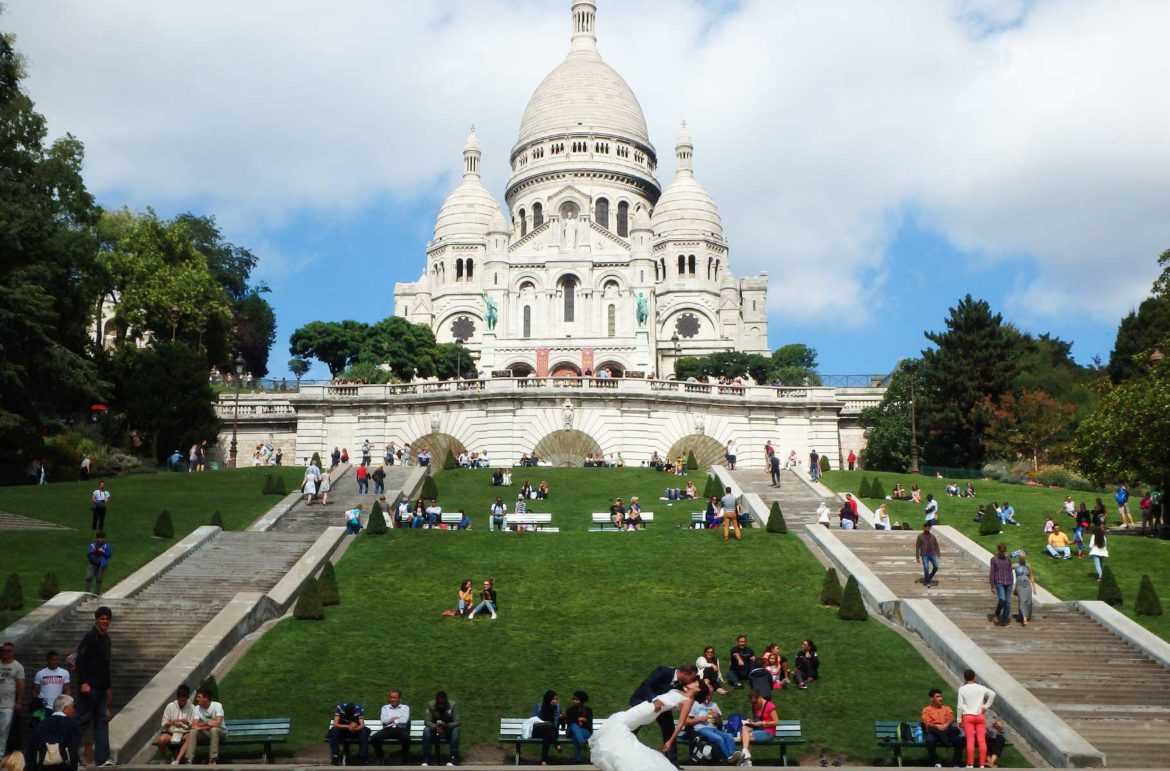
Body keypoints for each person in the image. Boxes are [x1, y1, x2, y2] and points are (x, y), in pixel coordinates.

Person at [603, 664, 699, 770]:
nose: (692, 680)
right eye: (692, 677)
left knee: (669, 730)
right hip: (644, 703)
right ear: (685, 674)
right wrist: (654, 700)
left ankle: (673, 763)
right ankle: (617, 758)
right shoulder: (663, 671)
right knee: (630, 729)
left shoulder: (683, 683)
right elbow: (646, 685)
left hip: (662, 708)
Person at [74, 606, 112, 767]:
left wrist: (109, 687)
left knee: (102, 722)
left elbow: (106, 665)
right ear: (96, 620)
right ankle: (72, 757)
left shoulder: (107, 639)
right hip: (89, 687)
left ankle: (102, 759)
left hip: (102, 687)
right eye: (102, 619)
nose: (105, 622)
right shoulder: (90, 637)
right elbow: (79, 660)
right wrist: (83, 682)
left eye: (107, 619)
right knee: (81, 722)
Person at [27, 694, 80, 771]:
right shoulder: (71, 725)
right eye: (72, 708)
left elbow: (32, 750)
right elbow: (73, 751)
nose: (74, 710)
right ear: (65, 709)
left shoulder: (41, 724)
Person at [684, 684, 735, 763]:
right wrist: (699, 719)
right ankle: (729, 757)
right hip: (701, 729)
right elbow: (686, 721)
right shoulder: (695, 704)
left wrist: (717, 716)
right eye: (708, 694)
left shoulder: (714, 705)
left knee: (729, 736)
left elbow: (720, 723)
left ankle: (733, 755)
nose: (709, 697)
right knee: (719, 738)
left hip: (714, 728)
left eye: (711, 695)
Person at [956, 669, 995, 769]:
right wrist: (986, 706)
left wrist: (959, 720)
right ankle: (982, 764)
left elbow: (960, 706)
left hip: (968, 716)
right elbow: (992, 694)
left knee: (970, 740)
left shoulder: (962, 689)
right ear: (974, 677)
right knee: (982, 740)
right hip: (979, 716)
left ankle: (970, 764)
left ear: (964, 678)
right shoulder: (981, 688)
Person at [183, 688, 226, 765]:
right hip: (206, 733)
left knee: (214, 730)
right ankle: (189, 759)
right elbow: (195, 725)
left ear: (206, 698)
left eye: (199, 697)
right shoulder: (197, 708)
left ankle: (213, 758)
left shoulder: (217, 705)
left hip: (220, 732)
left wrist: (201, 726)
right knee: (193, 731)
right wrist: (207, 723)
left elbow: (218, 724)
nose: (197, 699)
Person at [921, 688, 962, 767]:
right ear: (931, 698)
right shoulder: (926, 710)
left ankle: (955, 763)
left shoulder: (946, 708)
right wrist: (936, 725)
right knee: (929, 741)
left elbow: (951, 718)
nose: (941, 698)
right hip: (934, 731)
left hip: (946, 730)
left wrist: (946, 725)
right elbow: (926, 721)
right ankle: (936, 762)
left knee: (959, 741)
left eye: (941, 696)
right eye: (938, 697)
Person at [737, 688, 779, 767]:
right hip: (758, 728)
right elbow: (757, 719)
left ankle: (747, 760)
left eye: (755, 702)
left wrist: (763, 723)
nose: (755, 704)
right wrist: (751, 721)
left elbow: (776, 722)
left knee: (746, 736)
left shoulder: (770, 706)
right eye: (753, 703)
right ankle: (745, 752)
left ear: (760, 697)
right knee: (744, 728)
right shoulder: (755, 706)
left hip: (768, 732)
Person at [371, 690, 411, 765]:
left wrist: (392, 720)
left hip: (400, 729)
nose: (392, 699)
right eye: (391, 697)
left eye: (394, 697)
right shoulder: (385, 708)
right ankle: (381, 758)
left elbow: (404, 720)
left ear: (399, 699)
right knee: (374, 738)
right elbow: (384, 720)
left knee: (406, 738)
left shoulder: (405, 708)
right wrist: (396, 718)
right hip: (388, 729)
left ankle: (405, 760)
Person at [157, 685, 195, 763]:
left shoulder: (192, 707)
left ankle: (177, 760)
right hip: (171, 732)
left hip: (184, 732)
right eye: (180, 700)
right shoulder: (170, 706)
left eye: (183, 701)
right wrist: (172, 722)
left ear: (187, 699)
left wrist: (187, 723)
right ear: (177, 698)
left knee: (191, 737)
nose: (181, 702)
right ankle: (163, 759)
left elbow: (193, 725)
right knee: (161, 739)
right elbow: (163, 723)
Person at [421, 691, 460, 767]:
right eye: (439, 704)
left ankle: (453, 758)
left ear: (446, 701)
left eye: (443, 704)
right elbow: (427, 721)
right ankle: (426, 759)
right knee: (426, 730)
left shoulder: (453, 705)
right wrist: (436, 727)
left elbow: (457, 722)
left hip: (447, 731)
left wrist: (447, 725)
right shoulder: (431, 705)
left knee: (456, 730)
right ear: (436, 701)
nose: (441, 706)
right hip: (434, 731)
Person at [0, 642, 24, 759]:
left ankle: (0, 756)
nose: (5, 653)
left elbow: (20, 685)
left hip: (8, 705)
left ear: (13, 652)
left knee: (3, 732)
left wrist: (19, 702)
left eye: (8, 651)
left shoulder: (17, 667)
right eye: (3, 650)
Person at [327, 701, 369, 766]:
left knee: (364, 731)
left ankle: (362, 757)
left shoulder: (359, 708)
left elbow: (362, 725)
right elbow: (335, 724)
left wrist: (355, 729)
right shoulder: (340, 707)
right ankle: (335, 756)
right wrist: (347, 726)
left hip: (354, 731)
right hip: (343, 730)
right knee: (334, 730)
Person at [528, 690, 560, 766]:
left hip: (552, 731)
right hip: (538, 731)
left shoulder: (557, 708)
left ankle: (543, 761)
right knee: (547, 727)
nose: (555, 701)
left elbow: (556, 724)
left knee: (547, 730)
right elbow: (532, 721)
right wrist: (542, 723)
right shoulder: (539, 707)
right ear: (548, 699)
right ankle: (557, 745)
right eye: (553, 699)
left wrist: (562, 718)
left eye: (556, 699)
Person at [562, 691, 593, 764]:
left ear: (581, 701)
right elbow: (569, 722)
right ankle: (582, 743)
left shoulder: (588, 710)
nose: (574, 701)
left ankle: (578, 759)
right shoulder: (570, 710)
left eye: (576, 699)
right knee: (573, 725)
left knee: (576, 736)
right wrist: (578, 719)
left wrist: (584, 721)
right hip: (571, 730)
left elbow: (589, 724)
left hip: (585, 731)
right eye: (573, 699)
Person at [989, 543, 1014, 626]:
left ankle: (1004, 620)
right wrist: (992, 585)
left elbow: (1010, 571)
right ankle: (997, 614)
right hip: (999, 582)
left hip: (1008, 582)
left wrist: (1012, 582)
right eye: (1002, 551)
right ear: (998, 550)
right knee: (1002, 599)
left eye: (1004, 551)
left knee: (1008, 603)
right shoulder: (994, 559)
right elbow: (992, 572)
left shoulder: (1008, 559)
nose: (1003, 553)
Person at [915, 523, 941, 588]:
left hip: (932, 554)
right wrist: (917, 557)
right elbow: (917, 547)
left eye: (928, 528)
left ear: (930, 529)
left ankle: (929, 577)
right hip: (924, 555)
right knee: (926, 568)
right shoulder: (920, 536)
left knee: (936, 566)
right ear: (923, 528)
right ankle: (928, 582)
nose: (927, 529)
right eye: (926, 528)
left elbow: (936, 545)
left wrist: (938, 554)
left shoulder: (932, 536)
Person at [1014, 551, 1035, 626]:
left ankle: (1026, 616)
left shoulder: (1028, 565)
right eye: (1021, 558)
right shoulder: (1015, 565)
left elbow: (1031, 576)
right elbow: (1006, 568)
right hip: (1020, 584)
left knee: (1028, 602)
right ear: (1019, 558)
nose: (1022, 559)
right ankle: (1024, 618)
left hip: (1027, 584)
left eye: (1023, 558)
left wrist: (1034, 587)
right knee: (1022, 601)